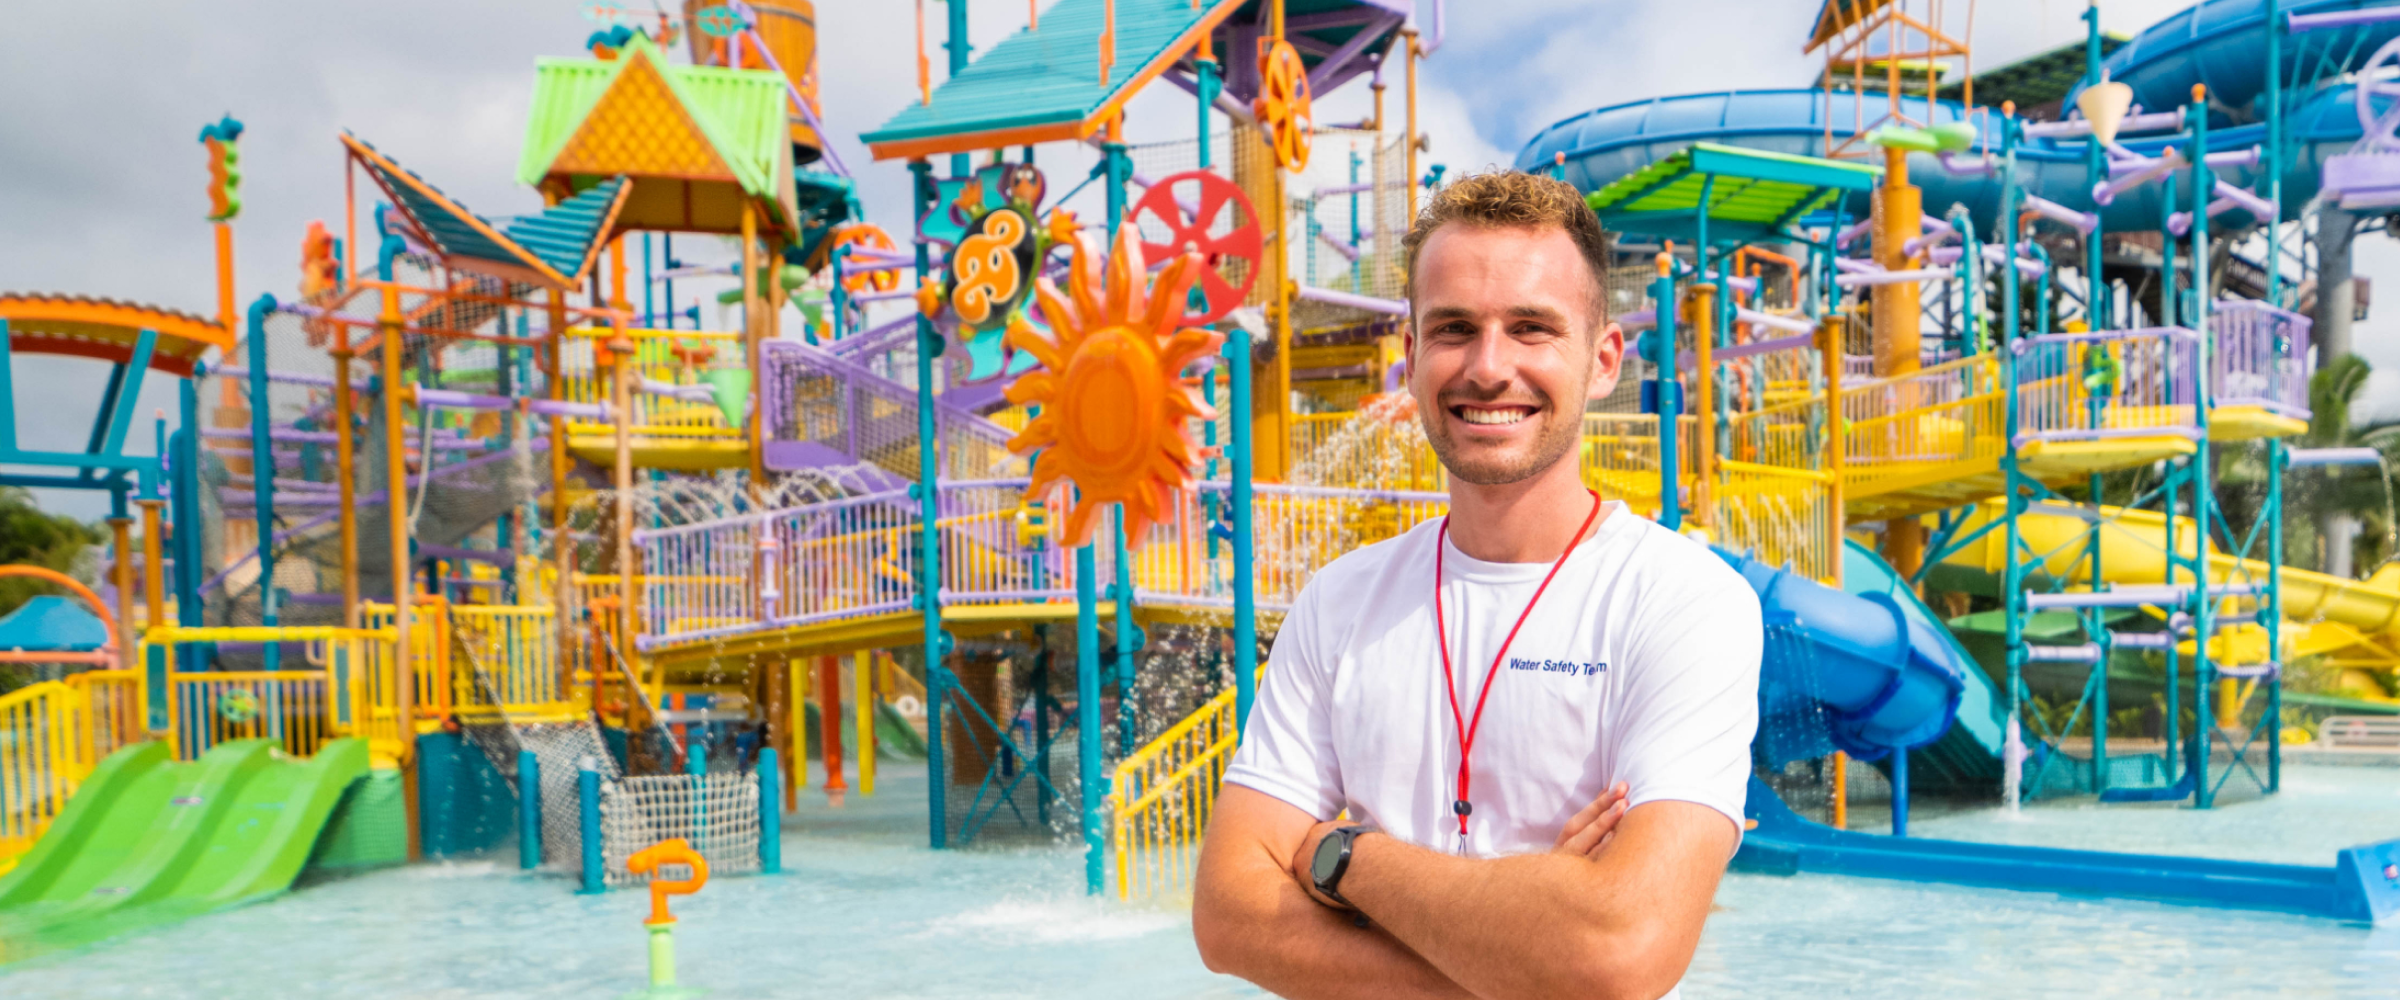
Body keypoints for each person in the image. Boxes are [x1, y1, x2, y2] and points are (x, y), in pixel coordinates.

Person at [1191, 170, 1762, 1000]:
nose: (1489, 368)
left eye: (1532, 328)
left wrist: (1343, 856)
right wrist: (1528, 949)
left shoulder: (1683, 602)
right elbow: (1227, 917)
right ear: (1413, 357)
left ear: (1603, 361)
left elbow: (1621, 950)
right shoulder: (1339, 601)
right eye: (1455, 328)